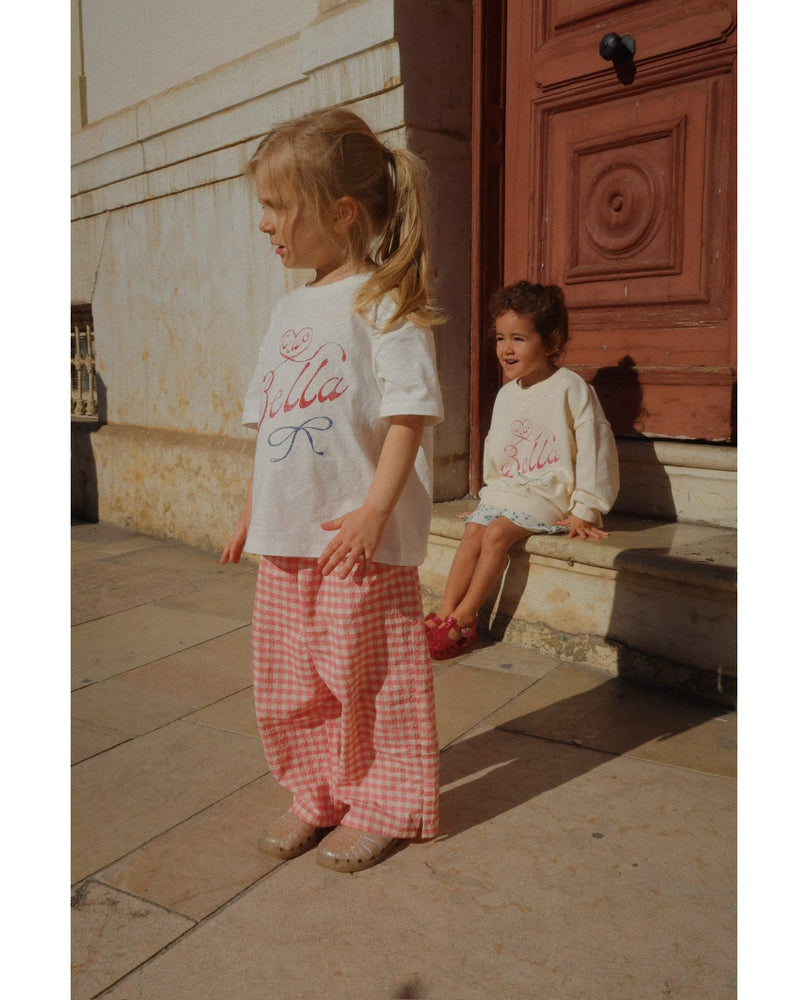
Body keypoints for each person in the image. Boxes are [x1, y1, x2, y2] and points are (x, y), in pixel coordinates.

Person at [220, 107, 444, 873]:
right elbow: (269, 423)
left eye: (277, 206)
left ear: (341, 211)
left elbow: (411, 413)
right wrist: (254, 512)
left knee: (370, 681)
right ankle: (316, 792)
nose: (264, 223)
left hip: (358, 543)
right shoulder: (287, 311)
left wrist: (377, 510)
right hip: (288, 542)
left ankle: (384, 804)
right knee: (294, 683)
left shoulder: (385, 300)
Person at [425, 281, 619, 660]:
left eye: (519, 339)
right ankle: (446, 608)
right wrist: (491, 496)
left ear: (551, 342)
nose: (506, 349)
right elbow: (498, 449)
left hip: (548, 494)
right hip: (511, 491)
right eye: (500, 338)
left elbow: (595, 447)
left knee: (497, 533)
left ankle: (466, 617)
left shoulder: (570, 388)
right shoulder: (507, 393)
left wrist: (585, 507)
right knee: (475, 529)